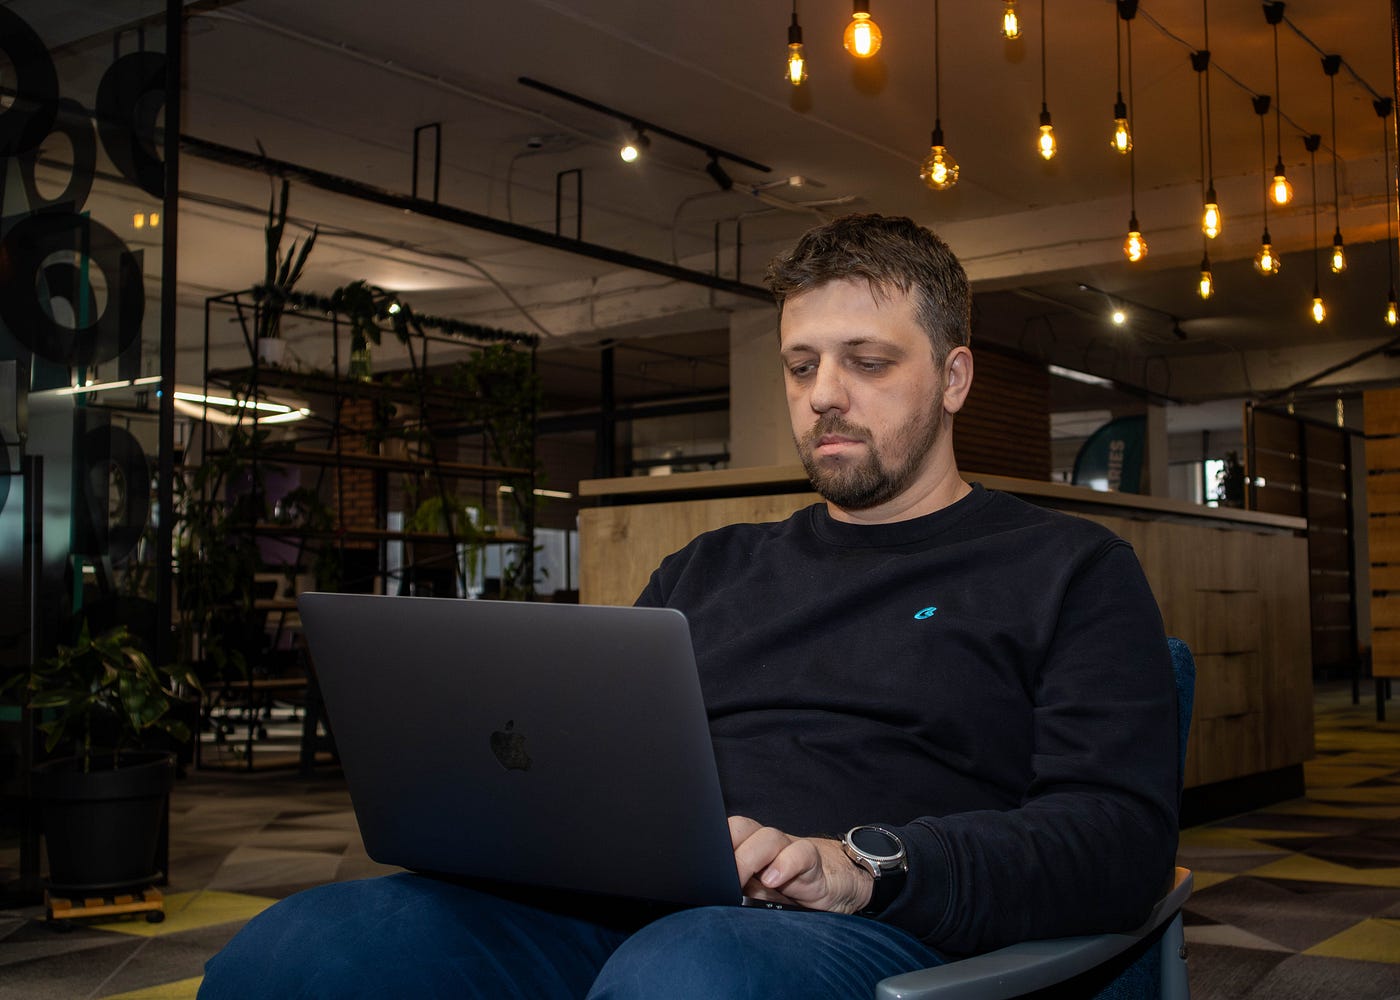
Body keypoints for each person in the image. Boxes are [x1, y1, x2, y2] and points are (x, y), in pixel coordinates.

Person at [198, 214, 1178, 999]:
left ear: (953, 375)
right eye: (800, 366)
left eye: (866, 361)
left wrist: (862, 864)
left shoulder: (1067, 569)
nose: (824, 396)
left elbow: (1117, 838)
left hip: (871, 935)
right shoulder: (706, 570)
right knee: (298, 951)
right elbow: (598, 774)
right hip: (627, 911)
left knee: (687, 974)